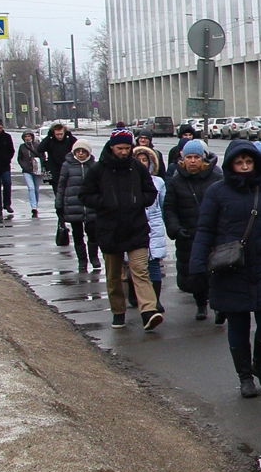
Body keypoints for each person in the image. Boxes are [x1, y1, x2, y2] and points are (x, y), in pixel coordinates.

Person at [193, 140, 261, 399]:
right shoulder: (216, 192)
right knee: (239, 324)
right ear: (231, 164)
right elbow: (205, 229)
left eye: (248, 162)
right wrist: (198, 264)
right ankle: (245, 375)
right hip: (231, 265)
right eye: (239, 162)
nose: (244, 167)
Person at [80, 129, 162, 331]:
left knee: (140, 271)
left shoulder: (137, 168)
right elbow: (85, 195)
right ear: (112, 147)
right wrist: (105, 202)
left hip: (136, 228)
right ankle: (118, 312)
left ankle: (148, 311)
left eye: (127, 148)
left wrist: (137, 201)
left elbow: (151, 192)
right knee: (114, 275)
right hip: (110, 230)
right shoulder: (98, 170)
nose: (124, 152)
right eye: (120, 148)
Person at [162, 139, 220, 321]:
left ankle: (219, 306)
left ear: (203, 159)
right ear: (183, 159)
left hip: (214, 234)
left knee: (217, 271)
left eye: (196, 157)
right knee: (195, 273)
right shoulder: (176, 181)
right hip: (188, 235)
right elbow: (169, 209)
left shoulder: (217, 178)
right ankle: (201, 304)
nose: (193, 161)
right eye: (189, 157)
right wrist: (175, 228)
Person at [132, 146, 171, 305]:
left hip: (154, 226)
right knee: (136, 265)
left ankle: (155, 301)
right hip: (134, 224)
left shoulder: (158, 182)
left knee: (154, 263)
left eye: (145, 160)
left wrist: (165, 223)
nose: (142, 163)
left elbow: (163, 205)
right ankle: (137, 297)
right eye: (138, 160)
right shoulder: (129, 180)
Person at [56, 141, 98, 269]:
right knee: (77, 234)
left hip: (90, 206)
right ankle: (82, 260)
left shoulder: (93, 166)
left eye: (83, 151)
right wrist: (59, 204)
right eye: (78, 151)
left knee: (93, 234)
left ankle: (94, 257)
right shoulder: (67, 165)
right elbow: (61, 186)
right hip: (73, 205)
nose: (80, 154)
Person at [15, 129, 43, 219]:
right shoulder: (22, 147)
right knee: (31, 188)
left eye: (29, 136)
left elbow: (43, 156)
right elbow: (19, 158)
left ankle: (36, 204)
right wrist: (24, 166)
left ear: (32, 137)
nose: (27, 138)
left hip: (37, 170)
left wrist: (40, 164)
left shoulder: (37, 146)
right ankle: (33, 207)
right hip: (27, 171)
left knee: (36, 189)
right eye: (26, 137)